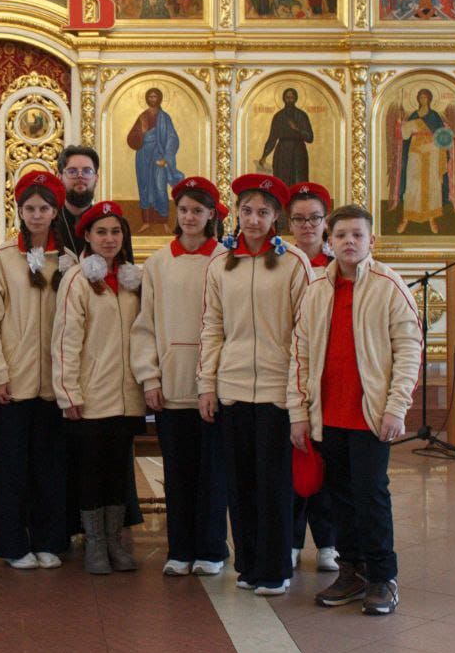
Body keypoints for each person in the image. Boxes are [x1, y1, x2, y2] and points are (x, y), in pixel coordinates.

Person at [289, 204, 421, 615]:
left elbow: (409, 350)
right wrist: (298, 412)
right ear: (329, 241)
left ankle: (382, 577)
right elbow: (300, 354)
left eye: (357, 235)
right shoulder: (316, 289)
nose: (349, 241)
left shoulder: (389, 286)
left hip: (370, 414)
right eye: (341, 235)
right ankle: (351, 571)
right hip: (327, 414)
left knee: (370, 496)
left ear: (371, 240)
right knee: (338, 499)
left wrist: (396, 408)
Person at [199, 174, 312, 595]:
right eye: (247, 210)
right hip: (232, 387)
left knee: (273, 483)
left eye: (263, 212)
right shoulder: (221, 264)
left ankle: (275, 568)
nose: (253, 219)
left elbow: (303, 333)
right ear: (237, 213)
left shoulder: (293, 263)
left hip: (276, 390)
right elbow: (212, 326)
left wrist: (298, 394)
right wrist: (207, 384)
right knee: (240, 481)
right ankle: (247, 565)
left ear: (276, 216)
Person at [130, 177, 229, 577]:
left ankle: (212, 549)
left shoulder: (225, 260)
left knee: (212, 472)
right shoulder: (158, 263)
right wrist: (150, 377)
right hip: (171, 385)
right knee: (177, 471)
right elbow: (145, 325)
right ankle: (180, 548)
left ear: (211, 215)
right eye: (184, 210)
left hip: (213, 387)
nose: (189, 217)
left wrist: (217, 380)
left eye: (197, 211)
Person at [0, 170, 72, 570]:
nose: (36, 215)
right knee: (12, 467)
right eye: (29, 208)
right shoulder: (3, 258)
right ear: (19, 211)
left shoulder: (68, 261)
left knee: (50, 467)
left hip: (54, 384)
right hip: (13, 383)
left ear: (55, 212)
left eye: (44, 208)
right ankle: (13, 544)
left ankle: (49, 539)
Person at [52, 200, 144, 574]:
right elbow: (66, 340)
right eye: (101, 232)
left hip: (127, 395)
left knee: (118, 471)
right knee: (91, 471)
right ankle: (94, 543)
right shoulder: (78, 281)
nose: (109, 239)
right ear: (87, 236)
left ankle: (114, 541)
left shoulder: (132, 282)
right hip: (91, 395)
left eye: (116, 232)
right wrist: (68, 392)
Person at [286, 182, 339, 574]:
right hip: (288, 375)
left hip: (327, 377)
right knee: (291, 463)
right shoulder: (281, 262)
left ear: (325, 222)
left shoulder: (338, 266)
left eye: (314, 218)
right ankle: (290, 540)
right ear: (289, 223)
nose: (307, 226)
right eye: (299, 219)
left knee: (326, 463)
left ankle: (328, 542)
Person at [393, 89, 450, 234]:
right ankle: (406, 218)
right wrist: (400, 124)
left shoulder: (434, 116)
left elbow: (442, 135)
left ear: (430, 99)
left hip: (432, 152)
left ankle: (432, 219)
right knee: (413, 184)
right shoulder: (414, 115)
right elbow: (405, 135)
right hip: (415, 152)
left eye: (425, 97)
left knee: (432, 183)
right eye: (421, 97)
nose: (423, 99)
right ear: (418, 99)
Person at [126, 87, 183, 228]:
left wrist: (166, 158)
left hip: (158, 155)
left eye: (155, 96)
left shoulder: (165, 118)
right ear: (147, 99)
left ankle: (164, 221)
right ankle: (146, 221)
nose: (152, 99)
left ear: (160, 98)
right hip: (143, 155)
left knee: (160, 186)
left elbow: (172, 138)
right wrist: (141, 133)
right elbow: (131, 138)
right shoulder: (142, 116)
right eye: (150, 97)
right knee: (144, 186)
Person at [258, 88, 313, 185]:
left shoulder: (302, 115)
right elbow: (272, 138)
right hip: (282, 153)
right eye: (287, 97)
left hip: (298, 152)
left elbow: (310, 138)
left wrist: (297, 129)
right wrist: (264, 156)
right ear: (284, 99)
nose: (289, 100)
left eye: (292, 97)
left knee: (299, 182)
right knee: (282, 182)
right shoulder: (278, 116)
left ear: (295, 99)